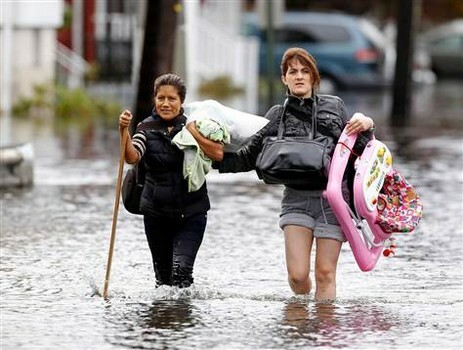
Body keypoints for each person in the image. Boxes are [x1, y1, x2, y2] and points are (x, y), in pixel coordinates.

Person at [216, 48, 376, 301]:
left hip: (333, 201)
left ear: (314, 77)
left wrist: (367, 122)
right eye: (293, 72)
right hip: (296, 201)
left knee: (325, 272)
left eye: (305, 72)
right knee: (297, 276)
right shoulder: (276, 116)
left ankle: (323, 331)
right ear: (284, 78)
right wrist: (208, 160)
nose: (299, 76)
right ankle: (300, 321)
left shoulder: (333, 107)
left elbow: (364, 149)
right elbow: (248, 157)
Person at [118, 73, 224, 288]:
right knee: (164, 280)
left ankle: (184, 317)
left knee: (181, 271)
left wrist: (193, 132)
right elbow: (132, 157)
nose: (165, 104)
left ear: (181, 101)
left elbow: (218, 154)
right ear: (155, 100)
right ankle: (164, 318)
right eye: (161, 98)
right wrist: (123, 132)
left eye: (171, 99)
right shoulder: (145, 129)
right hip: (156, 214)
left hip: (192, 212)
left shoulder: (195, 125)